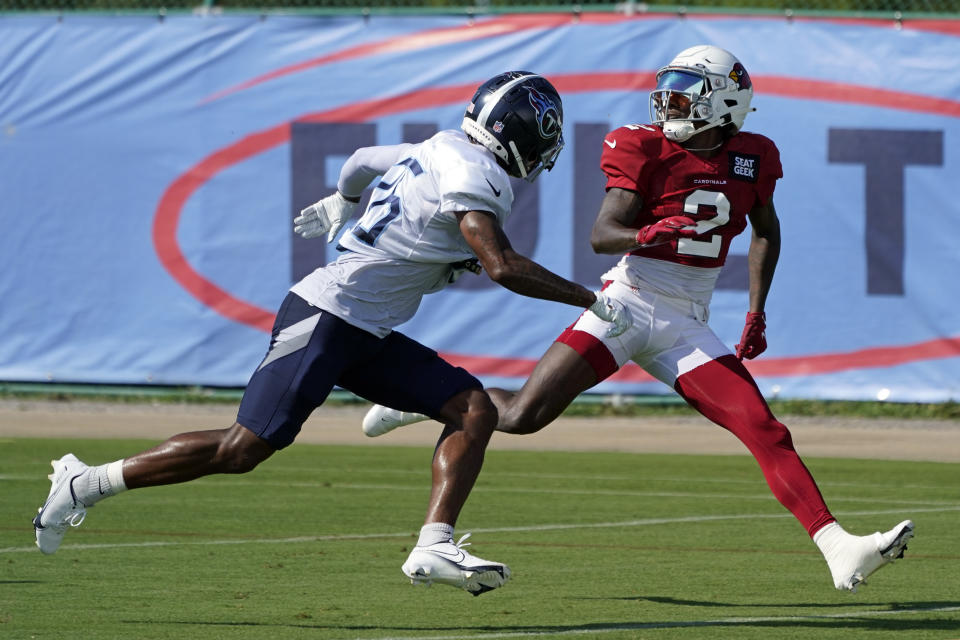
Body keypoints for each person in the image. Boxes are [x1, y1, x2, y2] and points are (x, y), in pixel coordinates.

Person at [31, 71, 630, 597]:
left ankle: (432, 544)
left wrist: (343, 201)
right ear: (524, 135)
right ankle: (86, 483)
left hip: (363, 328)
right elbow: (502, 265)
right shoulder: (478, 175)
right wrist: (590, 300)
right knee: (243, 449)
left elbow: (365, 159)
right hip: (327, 316)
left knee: (471, 406)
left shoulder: (443, 145)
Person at [361, 46, 914, 593]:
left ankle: (842, 548)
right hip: (625, 303)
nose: (668, 103)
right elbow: (603, 235)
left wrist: (756, 309)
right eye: (667, 90)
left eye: (683, 92)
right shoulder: (642, 146)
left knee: (764, 428)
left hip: (685, 321)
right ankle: (431, 399)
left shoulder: (754, 155)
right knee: (525, 415)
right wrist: (647, 233)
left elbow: (766, 231)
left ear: (722, 102)